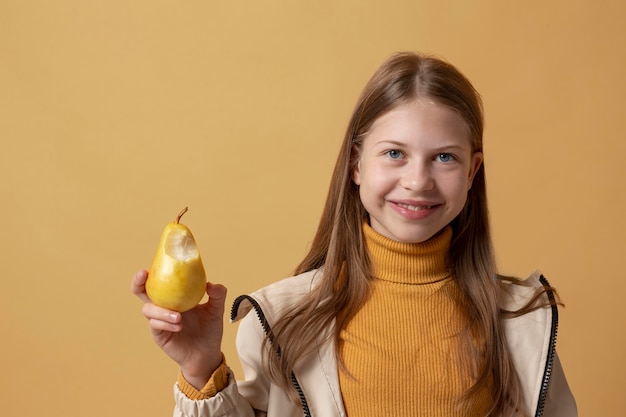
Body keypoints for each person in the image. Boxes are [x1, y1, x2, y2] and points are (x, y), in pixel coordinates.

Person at [132, 52, 577, 417]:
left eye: (444, 157)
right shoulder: (281, 323)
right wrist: (199, 365)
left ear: (472, 172)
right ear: (356, 165)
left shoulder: (521, 322)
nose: (418, 180)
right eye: (395, 153)